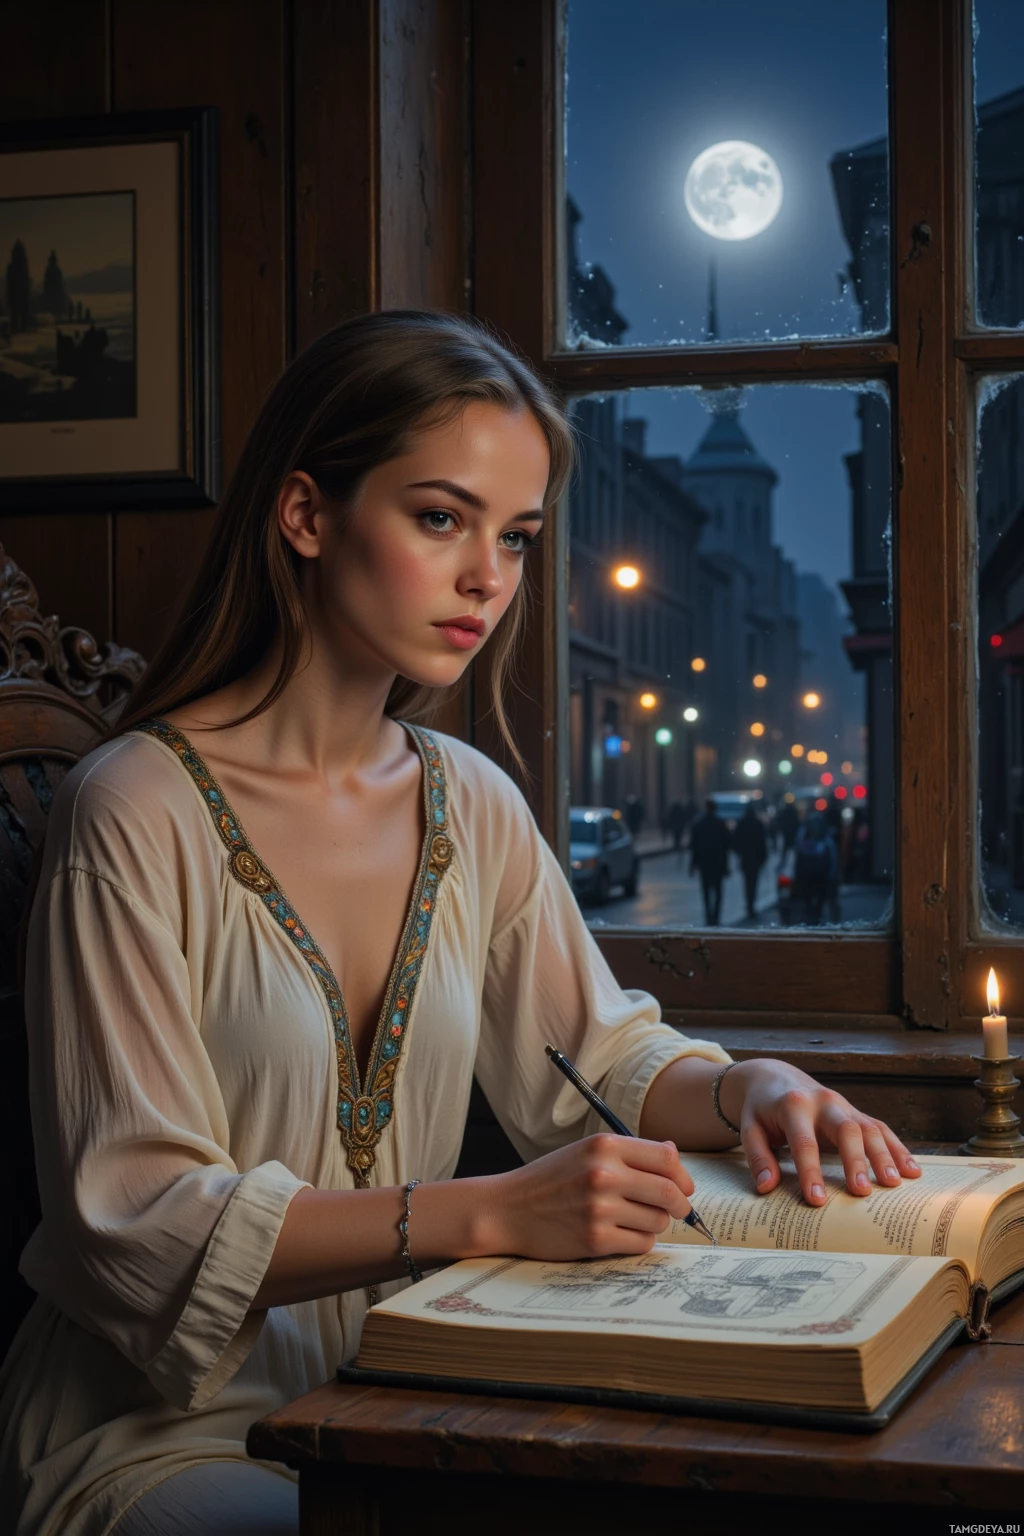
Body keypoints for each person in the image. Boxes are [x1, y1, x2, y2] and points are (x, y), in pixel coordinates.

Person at [0, 312, 920, 1536]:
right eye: (441, 518)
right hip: (156, 1434)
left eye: (518, 537)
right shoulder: (133, 806)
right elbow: (135, 1220)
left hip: (410, 1397)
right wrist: (488, 1212)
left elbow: (600, 1062)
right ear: (308, 515)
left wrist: (754, 1084)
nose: (488, 576)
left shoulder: (470, 799)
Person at [688, 798, 731, 925]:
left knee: (706, 892)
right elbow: (726, 846)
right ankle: (715, 918)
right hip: (717, 863)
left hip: (705, 864)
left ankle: (709, 916)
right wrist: (726, 866)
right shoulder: (720, 824)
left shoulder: (699, 824)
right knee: (717, 892)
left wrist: (693, 865)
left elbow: (694, 847)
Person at [794, 814, 839, 926]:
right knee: (815, 903)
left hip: (811, 878)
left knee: (812, 904)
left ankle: (813, 921)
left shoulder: (804, 840)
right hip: (817, 878)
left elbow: (798, 860)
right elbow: (833, 861)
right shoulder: (826, 842)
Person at [731, 803, 769, 921]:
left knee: (747, 883)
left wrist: (740, 852)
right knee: (753, 882)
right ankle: (751, 905)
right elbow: (763, 842)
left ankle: (749, 904)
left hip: (746, 858)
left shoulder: (742, 823)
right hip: (755, 858)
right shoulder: (758, 824)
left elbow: (735, 841)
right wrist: (763, 857)